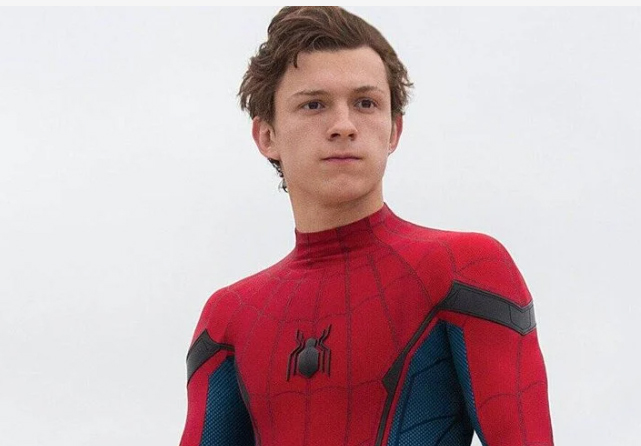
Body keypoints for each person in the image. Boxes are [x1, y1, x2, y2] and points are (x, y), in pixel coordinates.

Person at [179, 6, 554, 446]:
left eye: (365, 103)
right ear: (267, 136)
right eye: (314, 104)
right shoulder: (228, 320)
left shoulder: (463, 269)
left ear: (394, 130)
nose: (343, 126)